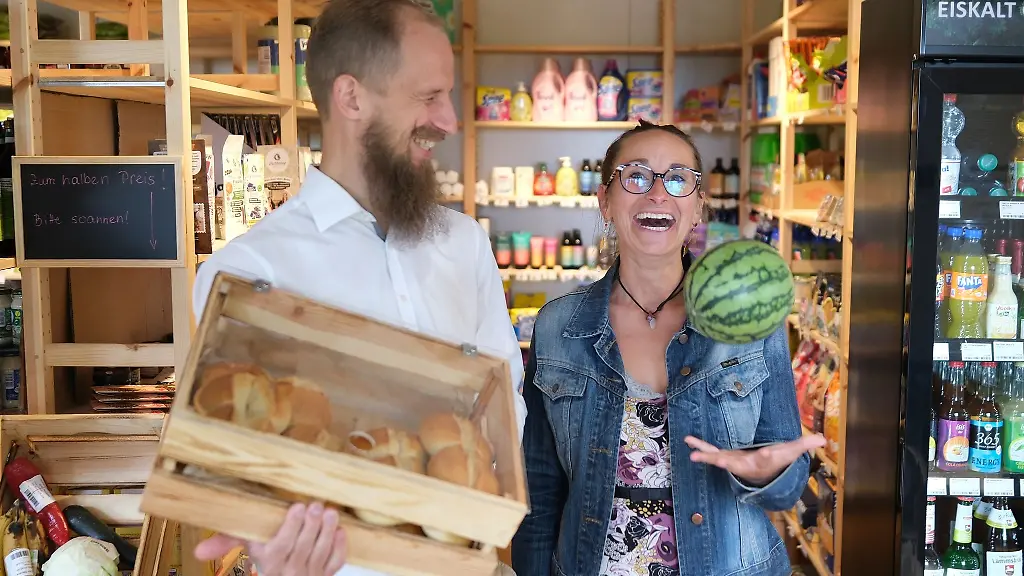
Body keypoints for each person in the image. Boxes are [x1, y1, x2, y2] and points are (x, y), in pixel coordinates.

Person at [188, 0, 527, 574]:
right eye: (428, 97)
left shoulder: (463, 243)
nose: (449, 121)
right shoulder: (247, 272)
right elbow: (244, 477)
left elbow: (502, 407)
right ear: (350, 98)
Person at [509, 121, 825, 576]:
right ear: (605, 202)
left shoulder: (750, 322)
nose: (657, 192)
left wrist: (765, 473)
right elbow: (538, 491)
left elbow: (789, 484)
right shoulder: (559, 326)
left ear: (697, 208)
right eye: (636, 176)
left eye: (678, 179)